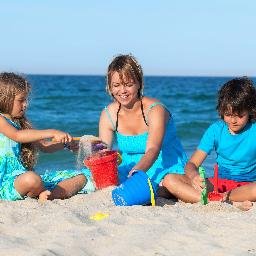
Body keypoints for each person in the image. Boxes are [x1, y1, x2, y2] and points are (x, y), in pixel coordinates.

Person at [163, 77, 256, 210]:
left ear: (250, 110)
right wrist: (194, 176)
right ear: (222, 111)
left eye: (240, 115)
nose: (234, 120)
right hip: (219, 184)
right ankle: (220, 202)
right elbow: (192, 164)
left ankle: (221, 199)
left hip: (247, 186)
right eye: (228, 114)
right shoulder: (216, 130)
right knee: (169, 179)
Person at [98, 54, 187, 193]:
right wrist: (86, 149)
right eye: (116, 85)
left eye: (128, 84)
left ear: (139, 83)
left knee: (164, 187)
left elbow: (153, 150)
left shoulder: (155, 110)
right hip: (129, 167)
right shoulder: (108, 114)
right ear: (109, 86)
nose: (123, 91)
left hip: (165, 166)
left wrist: (136, 175)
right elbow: (103, 152)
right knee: (90, 179)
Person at [0, 72, 94, 201]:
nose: (25, 104)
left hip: (18, 177)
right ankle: (42, 192)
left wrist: (65, 144)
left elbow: (45, 146)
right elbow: (17, 136)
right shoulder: (1, 120)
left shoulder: (22, 125)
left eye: (26, 100)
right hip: (4, 182)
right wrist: (52, 132)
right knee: (31, 178)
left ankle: (49, 195)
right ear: (5, 99)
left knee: (81, 177)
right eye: (21, 100)